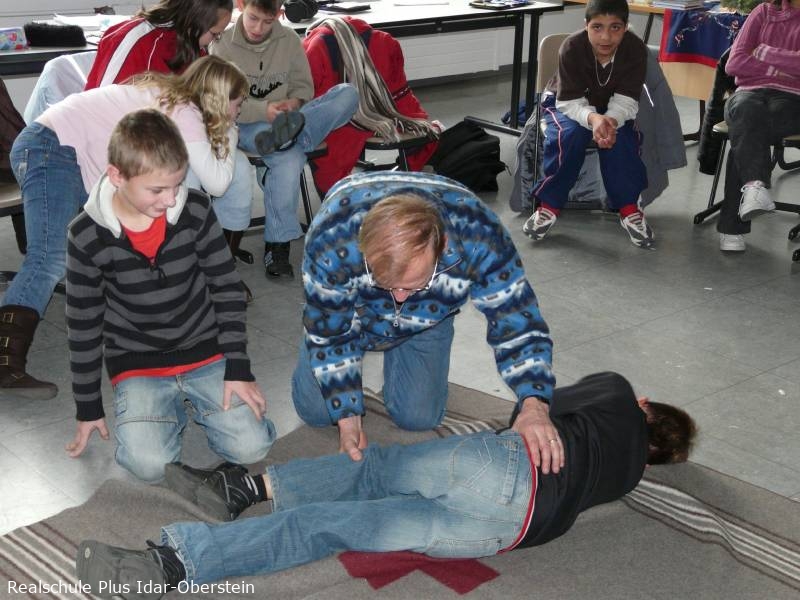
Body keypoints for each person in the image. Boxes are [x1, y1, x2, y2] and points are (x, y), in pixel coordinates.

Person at [74, 372, 697, 597]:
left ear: (646, 405)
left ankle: (243, 491)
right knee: (330, 528)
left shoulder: (619, 393)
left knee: (374, 471)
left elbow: (535, 407)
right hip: (511, 532)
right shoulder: (626, 478)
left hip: (509, 467)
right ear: (657, 460)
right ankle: (163, 569)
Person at [0, 56, 268, 402]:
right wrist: (229, 131)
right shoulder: (185, 113)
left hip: (58, 146)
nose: (239, 111)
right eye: (237, 103)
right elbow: (217, 183)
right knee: (49, 257)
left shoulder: (167, 95)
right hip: (52, 146)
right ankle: (4, 363)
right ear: (218, 99)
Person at [291, 171, 559, 473]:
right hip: (351, 314)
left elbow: (518, 324)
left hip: (428, 317)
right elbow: (332, 335)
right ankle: (317, 333)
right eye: (387, 284)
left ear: (442, 246)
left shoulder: (480, 235)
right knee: (318, 412)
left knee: (418, 418)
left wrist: (534, 405)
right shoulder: (331, 238)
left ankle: (412, 326)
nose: (400, 297)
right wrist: (349, 423)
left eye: (413, 285)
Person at [64, 109, 276, 484]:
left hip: (206, 351)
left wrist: (238, 370)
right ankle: (170, 411)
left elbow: (227, 290)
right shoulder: (85, 234)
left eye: (177, 185)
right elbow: (83, 326)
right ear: (117, 175)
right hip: (138, 364)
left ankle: (184, 407)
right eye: (157, 190)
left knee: (252, 448)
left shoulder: (195, 209)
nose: (170, 199)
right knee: (147, 466)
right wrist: (88, 407)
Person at [209, 0, 359, 278]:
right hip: (245, 123)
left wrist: (295, 102)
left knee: (347, 93)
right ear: (241, 7)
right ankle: (277, 245)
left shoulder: (289, 39)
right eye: (253, 18)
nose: (258, 28)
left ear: (279, 15)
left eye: (268, 21)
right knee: (289, 159)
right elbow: (220, 100)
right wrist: (264, 110)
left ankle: (288, 136)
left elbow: (304, 87)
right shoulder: (222, 44)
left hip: (289, 120)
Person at [522, 0, 653, 248]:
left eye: (615, 27)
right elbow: (568, 102)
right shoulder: (572, 47)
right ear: (586, 25)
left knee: (622, 139)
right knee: (570, 136)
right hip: (566, 103)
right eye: (597, 27)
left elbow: (627, 100)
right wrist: (594, 119)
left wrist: (609, 121)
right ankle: (549, 206)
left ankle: (628, 208)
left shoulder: (635, 49)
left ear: (626, 26)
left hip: (612, 107)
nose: (606, 37)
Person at [302, 16, 440, 196]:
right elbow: (399, 90)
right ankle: (401, 178)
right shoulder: (385, 41)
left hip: (340, 123)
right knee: (427, 131)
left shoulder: (314, 46)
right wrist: (416, 119)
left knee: (326, 156)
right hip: (383, 112)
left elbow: (310, 99)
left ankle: (340, 199)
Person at [716, 0, 800, 253]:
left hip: (793, 99)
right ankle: (755, 186)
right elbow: (734, 63)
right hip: (748, 93)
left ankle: (734, 224)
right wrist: (786, 68)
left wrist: (763, 52)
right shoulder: (763, 12)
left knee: (747, 130)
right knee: (747, 113)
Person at [85, 0, 233, 88]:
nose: (216, 39)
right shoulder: (136, 39)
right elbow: (104, 105)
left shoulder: (194, 45)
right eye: (214, 33)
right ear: (192, 21)